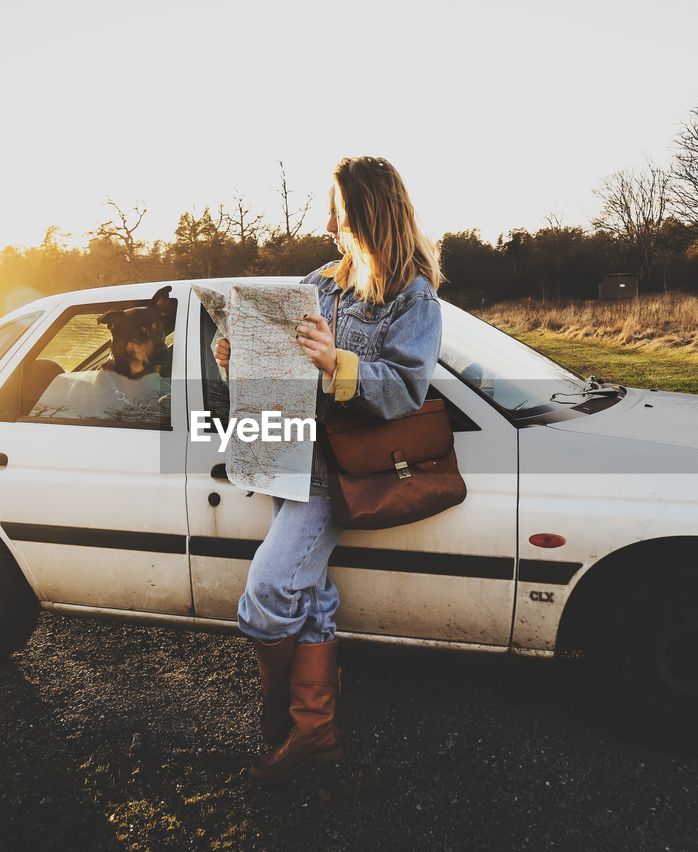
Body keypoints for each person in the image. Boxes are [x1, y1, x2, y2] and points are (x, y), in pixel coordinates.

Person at [212, 156, 444, 783]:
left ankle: (278, 719)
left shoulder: (413, 297)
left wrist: (334, 364)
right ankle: (316, 734)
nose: (328, 222)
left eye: (338, 210)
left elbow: (404, 390)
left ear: (367, 213)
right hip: (290, 454)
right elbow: (279, 361)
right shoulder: (321, 280)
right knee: (309, 599)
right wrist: (236, 351)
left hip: (342, 469)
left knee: (267, 596)